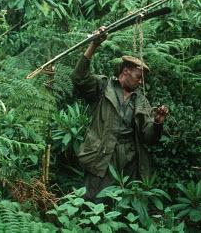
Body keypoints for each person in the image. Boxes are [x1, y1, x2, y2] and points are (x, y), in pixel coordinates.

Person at [70, 26, 169, 202]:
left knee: (124, 200)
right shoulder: (103, 86)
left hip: (128, 158)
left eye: (142, 80)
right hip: (101, 152)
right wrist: (93, 45)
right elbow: (79, 78)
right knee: (94, 198)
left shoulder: (141, 101)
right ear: (126, 71)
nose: (140, 82)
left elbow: (149, 138)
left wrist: (157, 123)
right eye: (138, 77)